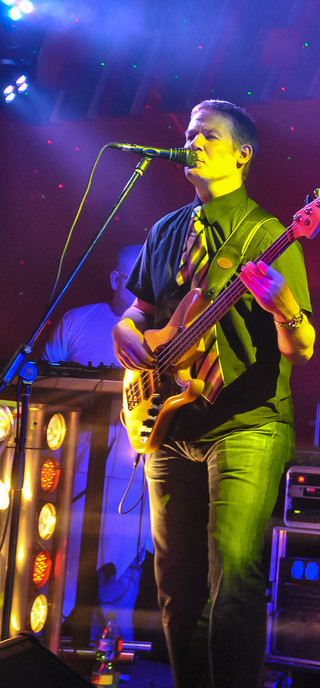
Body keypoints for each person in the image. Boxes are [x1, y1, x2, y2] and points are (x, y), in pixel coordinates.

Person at [112, 99, 315, 687]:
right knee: (175, 586)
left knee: (233, 580)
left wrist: (283, 307)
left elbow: (302, 347)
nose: (193, 142)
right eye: (191, 133)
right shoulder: (166, 230)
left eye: (209, 136)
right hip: (170, 420)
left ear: (241, 154)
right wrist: (126, 329)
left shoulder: (269, 234)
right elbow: (141, 309)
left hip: (246, 423)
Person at [44, 244, 155, 644]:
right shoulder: (79, 321)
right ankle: (47, 646)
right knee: (59, 561)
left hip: (128, 477)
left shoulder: (161, 330)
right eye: (137, 277)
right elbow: (44, 386)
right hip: (71, 470)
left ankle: (108, 659)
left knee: (119, 574)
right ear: (115, 279)